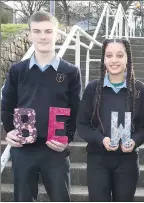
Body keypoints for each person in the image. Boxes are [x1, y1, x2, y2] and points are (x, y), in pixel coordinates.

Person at [1, 11, 82, 201]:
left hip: (55, 150)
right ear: (29, 35)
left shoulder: (70, 71)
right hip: (24, 149)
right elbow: (7, 105)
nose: (43, 36)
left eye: (48, 31)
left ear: (57, 35)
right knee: (23, 198)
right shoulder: (17, 70)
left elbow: (75, 108)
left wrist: (66, 138)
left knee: (60, 198)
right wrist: (10, 131)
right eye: (37, 31)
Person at [76, 38, 144, 202]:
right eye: (109, 55)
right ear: (104, 59)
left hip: (127, 161)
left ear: (127, 58)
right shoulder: (93, 89)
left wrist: (134, 141)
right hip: (98, 159)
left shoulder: (140, 90)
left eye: (119, 55)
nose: (114, 60)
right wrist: (101, 139)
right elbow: (82, 125)